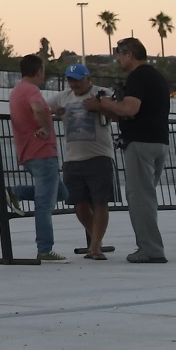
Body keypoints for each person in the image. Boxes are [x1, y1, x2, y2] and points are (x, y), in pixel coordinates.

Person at [86, 36, 171, 263]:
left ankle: (151, 250)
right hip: (159, 142)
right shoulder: (156, 76)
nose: (117, 59)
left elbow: (129, 108)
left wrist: (104, 103)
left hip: (140, 144)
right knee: (146, 197)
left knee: (139, 198)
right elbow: (131, 113)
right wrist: (106, 108)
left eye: (119, 54)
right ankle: (150, 246)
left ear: (129, 54)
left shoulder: (137, 76)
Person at [4, 54, 66, 259]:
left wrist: (51, 111)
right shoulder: (32, 90)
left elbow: (38, 109)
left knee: (62, 193)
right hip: (42, 152)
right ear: (40, 71)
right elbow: (37, 108)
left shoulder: (17, 91)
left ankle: (16, 192)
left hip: (28, 152)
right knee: (45, 204)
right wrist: (46, 127)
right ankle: (45, 250)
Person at [54, 63, 116, 259]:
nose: (75, 84)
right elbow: (39, 107)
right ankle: (97, 237)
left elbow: (117, 114)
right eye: (71, 80)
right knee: (78, 204)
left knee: (100, 202)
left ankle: (95, 246)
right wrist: (53, 111)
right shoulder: (64, 97)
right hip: (73, 158)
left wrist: (98, 106)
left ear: (88, 78)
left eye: (78, 79)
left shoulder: (103, 92)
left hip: (99, 156)